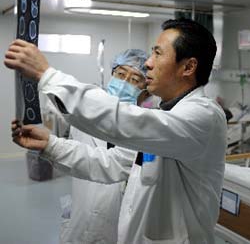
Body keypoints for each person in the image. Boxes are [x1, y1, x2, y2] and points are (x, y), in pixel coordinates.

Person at [6, 18, 227, 244]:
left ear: (188, 67)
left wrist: (47, 75)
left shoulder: (203, 117)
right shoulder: (167, 120)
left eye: (158, 54)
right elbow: (109, 162)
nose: (148, 63)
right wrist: (50, 145)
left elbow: (124, 120)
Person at [59, 49, 149, 244]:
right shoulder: (87, 115)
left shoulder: (147, 131)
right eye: (120, 74)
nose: (125, 82)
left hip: (117, 231)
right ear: (112, 75)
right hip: (79, 224)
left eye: (135, 79)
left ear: (145, 90)